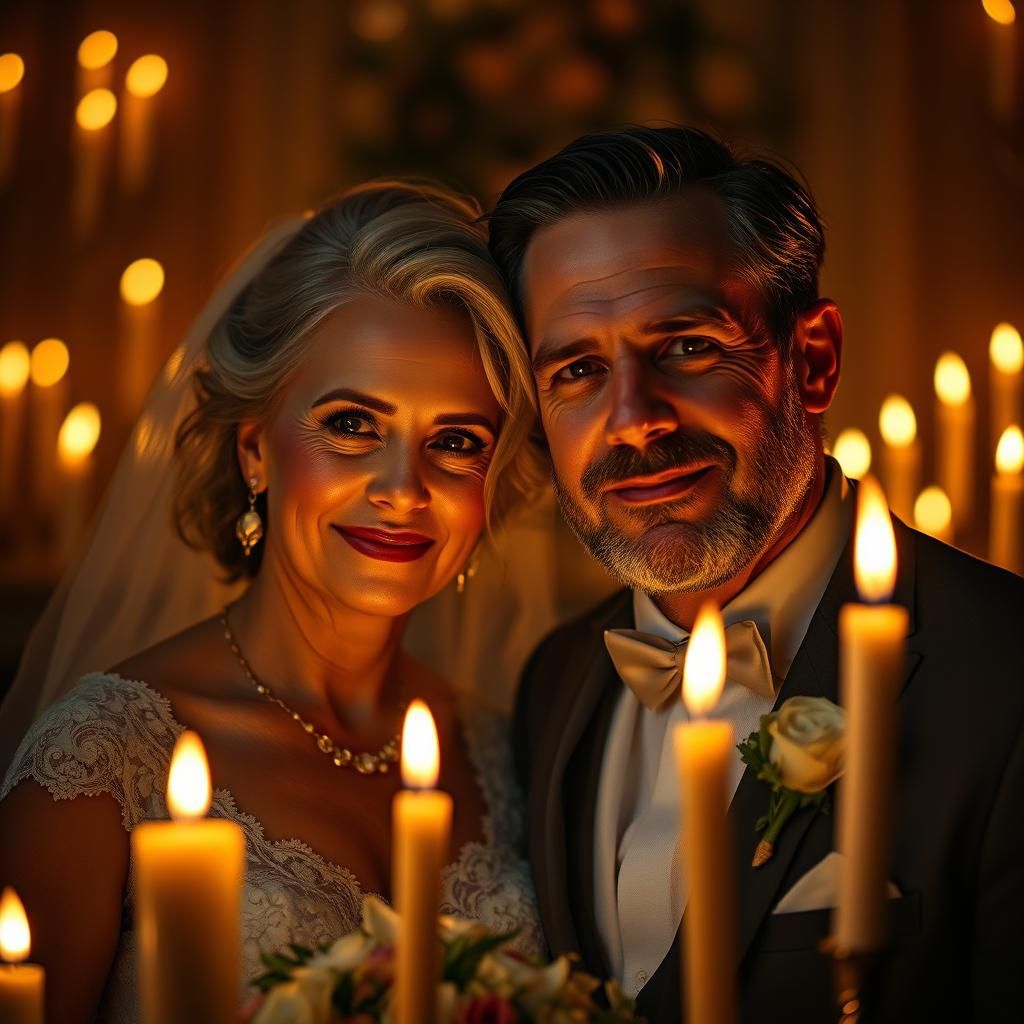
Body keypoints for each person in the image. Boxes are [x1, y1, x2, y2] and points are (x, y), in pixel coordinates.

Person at [488, 127, 1024, 1022]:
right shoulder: (553, 684)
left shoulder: (1004, 673)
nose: (633, 421)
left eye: (689, 346)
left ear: (812, 358)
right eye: (578, 370)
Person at [0, 181, 548, 1024]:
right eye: (352, 425)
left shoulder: (504, 750)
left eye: (456, 442)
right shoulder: (103, 763)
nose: (405, 490)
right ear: (255, 450)